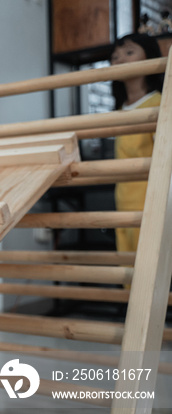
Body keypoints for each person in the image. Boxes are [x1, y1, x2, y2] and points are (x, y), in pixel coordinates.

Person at [110, 33, 164, 253]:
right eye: (114, 56)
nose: (119, 59)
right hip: (122, 204)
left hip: (151, 206)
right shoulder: (119, 110)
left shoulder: (158, 104)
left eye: (129, 52)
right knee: (128, 273)